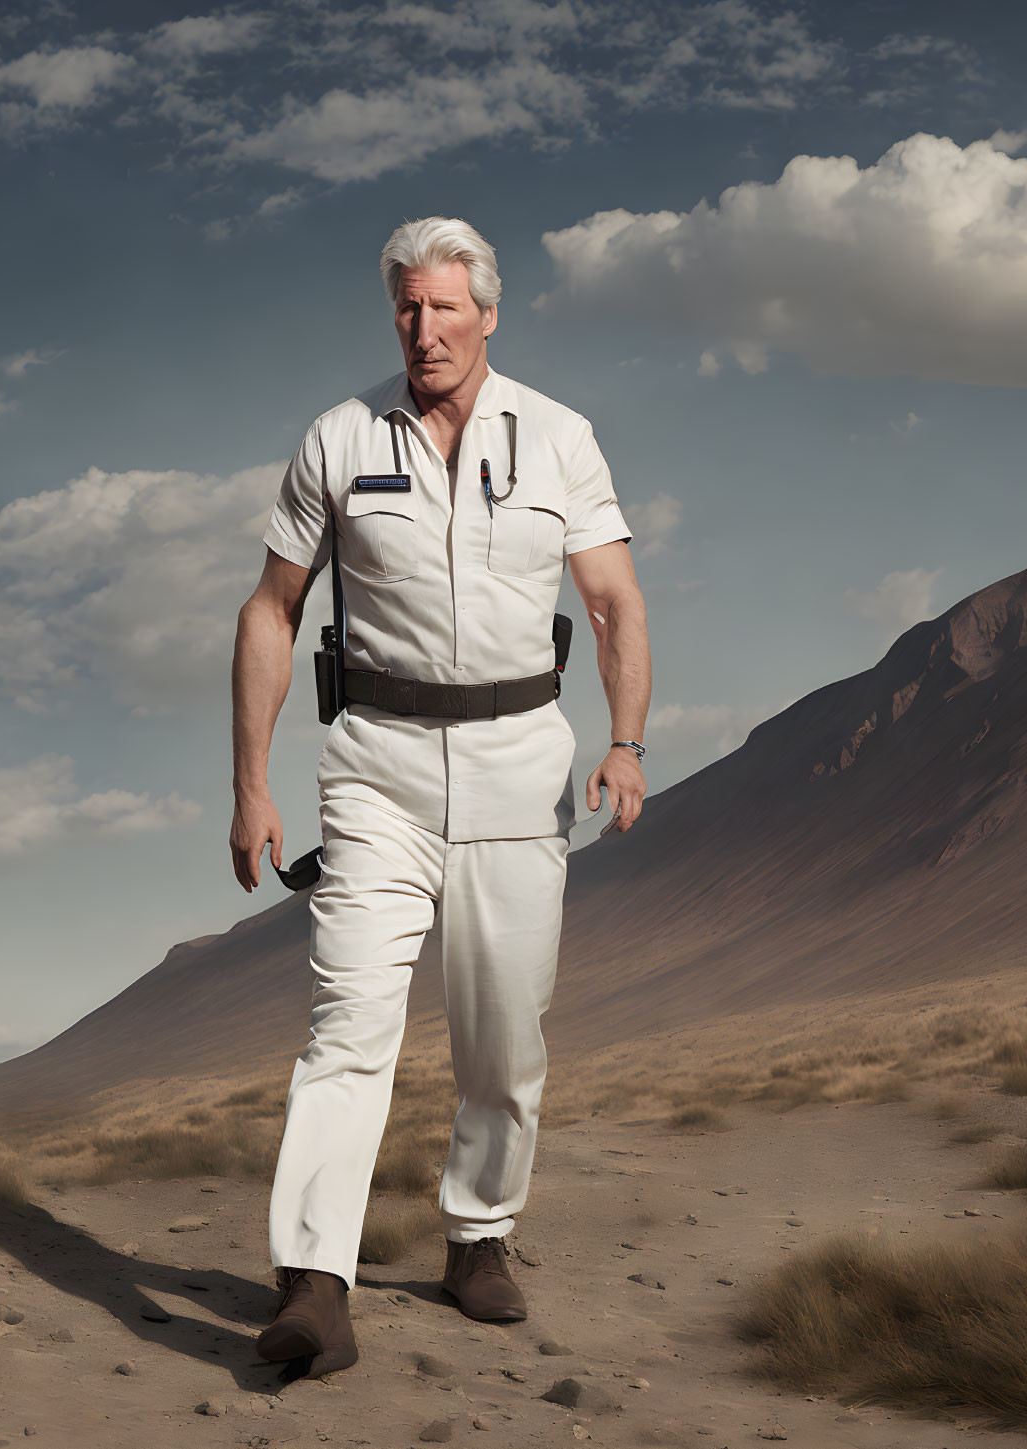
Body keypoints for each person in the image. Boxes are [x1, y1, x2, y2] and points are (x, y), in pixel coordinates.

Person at [229, 215, 651, 1378]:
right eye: (408, 309)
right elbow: (273, 610)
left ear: (488, 315)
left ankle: (478, 1238)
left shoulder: (560, 437)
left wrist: (626, 743)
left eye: (446, 308)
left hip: (523, 768)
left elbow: (614, 602)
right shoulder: (338, 438)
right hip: (378, 772)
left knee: (504, 1040)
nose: (425, 329)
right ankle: (316, 1280)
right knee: (348, 1025)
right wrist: (252, 785)